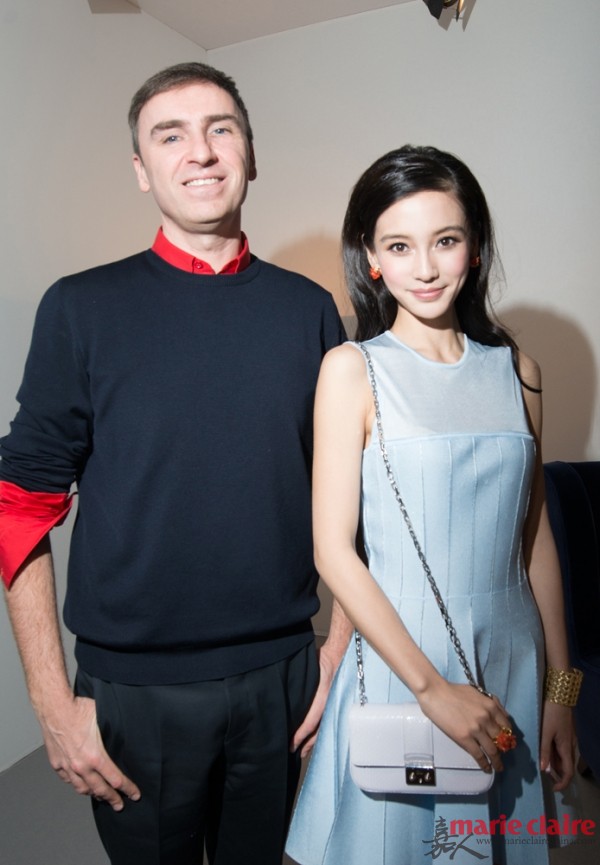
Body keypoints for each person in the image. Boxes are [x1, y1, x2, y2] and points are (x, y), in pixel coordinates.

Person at [0, 62, 352, 865]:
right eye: (171, 135)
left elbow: (354, 498)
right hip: (135, 691)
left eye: (221, 129)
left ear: (250, 154)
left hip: (282, 675)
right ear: (141, 168)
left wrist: (336, 654)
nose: (201, 151)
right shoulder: (80, 307)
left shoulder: (310, 312)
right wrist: (50, 699)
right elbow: (19, 500)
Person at [286, 145, 579, 865]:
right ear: (370, 257)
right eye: (399, 246)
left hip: (512, 651)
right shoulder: (351, 370)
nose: (424, 267)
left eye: (444, 240)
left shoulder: (518, 371)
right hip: (405, 656)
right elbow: (333, 550)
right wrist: (430, 688)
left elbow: (534, 534)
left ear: (474, 247)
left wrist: (561, 689)